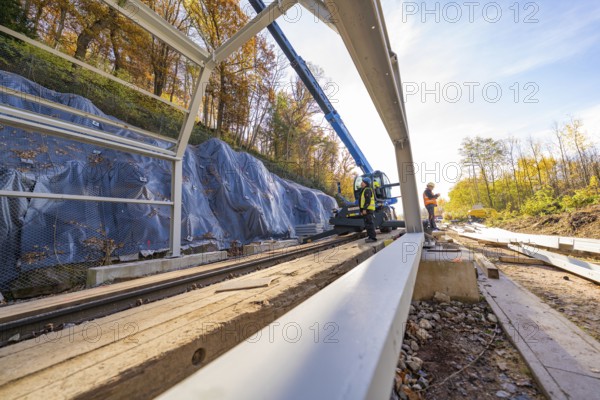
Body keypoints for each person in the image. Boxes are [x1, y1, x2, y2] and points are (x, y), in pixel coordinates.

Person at [360, 177, 377, 242]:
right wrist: (362, 210)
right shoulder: (364, 190)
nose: (361, 183)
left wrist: (364, 209)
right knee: (367, 224)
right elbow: (362, 202)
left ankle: (372, 238)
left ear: (366, 183)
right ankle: (370, 237)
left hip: (368, 210)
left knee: (369, 224)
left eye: (362, 182)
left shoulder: (367, 190)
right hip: (367, 210)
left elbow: (367, 201)